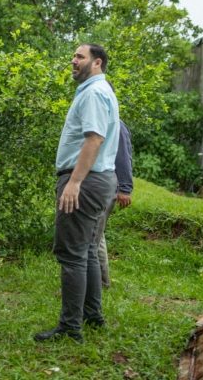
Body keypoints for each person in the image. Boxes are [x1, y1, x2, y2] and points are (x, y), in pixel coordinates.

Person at [34, 44, 120, 344]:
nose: (73, 60)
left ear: (97, 63)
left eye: (79, 56)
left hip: (86, 180)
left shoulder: (94, 93)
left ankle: (71, 328)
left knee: (71, 255)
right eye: (73, 55)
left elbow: (94, 139)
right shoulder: (99, 90)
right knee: (86, 251)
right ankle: (92, 316)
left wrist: (74, 182)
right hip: (100, 180)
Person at [95, 116, 133, 288]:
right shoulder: (100, 122)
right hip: (100, 185)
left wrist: (125, 188)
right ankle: (102, 281)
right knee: (97, 233)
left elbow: (123, 156)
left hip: (108, 185)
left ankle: (100, 283)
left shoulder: (116, 125)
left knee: (94, 234)